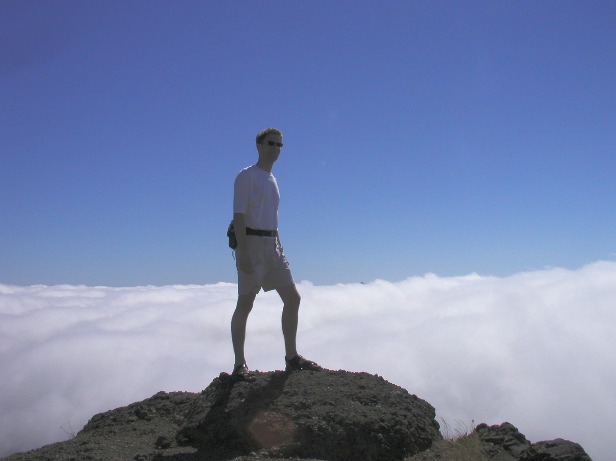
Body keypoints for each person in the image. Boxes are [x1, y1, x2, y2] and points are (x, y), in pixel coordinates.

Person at [231, 127, 321, 380]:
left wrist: (278, 245)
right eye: (271, 144)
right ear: (259, 145)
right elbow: (238, 215)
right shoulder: (246, 176)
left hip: (273, 245)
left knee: (293, 298)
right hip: (251, 243)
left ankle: (291, 358)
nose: (276, 149)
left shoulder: (272, 179)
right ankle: (239, 365)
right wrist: (243, 251)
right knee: (245, 303)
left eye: (280, 145)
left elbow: (272, 216)